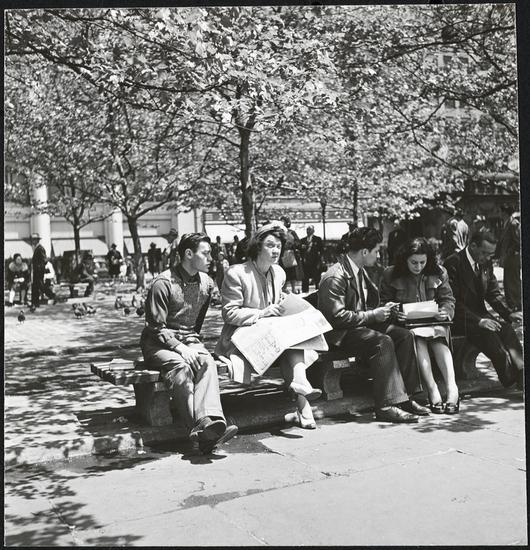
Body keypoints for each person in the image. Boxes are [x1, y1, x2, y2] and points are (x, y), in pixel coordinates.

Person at [216, 223, 323, 430]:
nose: (276, 251)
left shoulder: (279, 272)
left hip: (274, 336)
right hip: (242, 337)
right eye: (270, 245)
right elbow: (229, 313)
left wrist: (289, 304)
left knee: (292, 335)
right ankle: (303, 398)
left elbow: (276, 299)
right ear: (258, 247)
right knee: (289, 340)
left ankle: (301, 395)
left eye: (279, 247)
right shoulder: (237, 273)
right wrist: (261, 313)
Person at [317, 227, 430, 423]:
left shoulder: (358, 270)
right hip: (340, 334)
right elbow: (336, 317)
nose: (378, 255)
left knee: (404, 335)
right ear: (364, 251)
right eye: (376, 251)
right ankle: (386, 405)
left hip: (357, 328)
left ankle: (406, 397)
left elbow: (360, 306)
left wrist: (383, 310)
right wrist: (372, 315)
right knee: (382, 341)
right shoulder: (336, 276)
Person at [141, 233, 238, 454]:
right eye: (206, 253)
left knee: (206, 361)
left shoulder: (207, 283)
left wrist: (191, 345)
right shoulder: (163, 283)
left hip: (188, 340)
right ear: (188, 254)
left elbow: (196, 323)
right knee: (181, 367)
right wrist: (180, 348)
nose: (210, 258)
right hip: (157, 344)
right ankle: (201, 429)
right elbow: (155, 327)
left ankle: (209, 421)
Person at [380, 238, 459, 414]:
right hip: (409, 326)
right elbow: (384, 302)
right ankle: (432, 389)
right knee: (419, 339)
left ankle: (452, 389)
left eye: (423, 262)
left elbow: (448, 299)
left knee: (438, 338)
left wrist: (445, 311)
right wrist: (395, 313)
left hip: (435, 322)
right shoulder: (391, 274)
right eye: (414, 262)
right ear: (405, 260)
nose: (418, 267)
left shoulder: (439, 272)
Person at [444, 229, 524, 389]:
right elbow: (453, 302)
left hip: (481, 316)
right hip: (460, 318)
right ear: (473, 246)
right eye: (485, 253)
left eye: (491, 254)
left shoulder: (485, 262)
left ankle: (522, 372)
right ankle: (514, 380)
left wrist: (509, 313)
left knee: (507, 330)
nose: (488, 258)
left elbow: (493, 294)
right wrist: (479, 321)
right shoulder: (453, 263)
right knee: (494, 343)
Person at [496, 205, 521, 311]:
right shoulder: (506, 223)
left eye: (500, 211)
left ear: (505, 212)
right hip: (507, 259)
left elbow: (518, 242)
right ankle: (511, 305)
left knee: (513, 282)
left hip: (512, 258)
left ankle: (517, 304)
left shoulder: (513, 224)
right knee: (507, 282)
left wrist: (508, 253)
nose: (499, 214)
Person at [31, 234, 56, 307]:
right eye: (33, 240)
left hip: (39, 271)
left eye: (34, 240)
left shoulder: (40, 248)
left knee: (40, 286)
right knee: (35, 287)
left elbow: (44, 260)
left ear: (37, 240)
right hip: (37, 271)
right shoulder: (37, 248)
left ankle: (52, 295)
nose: (33, 241)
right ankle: (35, 303)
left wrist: (39, 267)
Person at [300, 225, 323, 293]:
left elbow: (321, 250)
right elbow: (300, 250)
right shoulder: (303, 240)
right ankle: (305, 293)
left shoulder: (318, 239)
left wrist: (320, 260)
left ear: (313, 231)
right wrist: (302, 247)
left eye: (310, 229)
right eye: (307, 229)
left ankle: (318, 292)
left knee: (317, 278)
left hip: (315, 261)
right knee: (305, 279)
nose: (308, 231)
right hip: (305, 262)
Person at [279, 216, 300, 293]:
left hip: (290, 254)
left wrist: (292, 244)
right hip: (281, 254)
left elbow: (298, 242)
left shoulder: (292, 232)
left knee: (292, 272)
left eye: (283, 221)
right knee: (283, 271)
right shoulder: (279, 233)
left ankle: (293, 288)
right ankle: (284, 289)